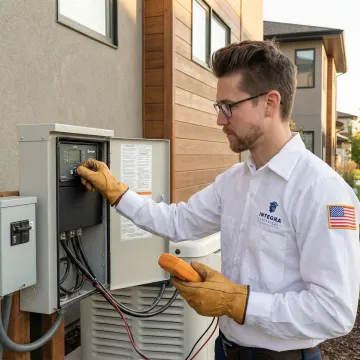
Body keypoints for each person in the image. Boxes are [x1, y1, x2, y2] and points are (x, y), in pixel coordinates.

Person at [76, 40, 360, 360]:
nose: (220, 120)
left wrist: (237, 302)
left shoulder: (321, 190)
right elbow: (178, 222)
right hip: (225, 350)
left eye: (228, 107)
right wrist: (116, 192)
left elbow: (336, 311)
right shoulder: (233, 182)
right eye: (219, 108)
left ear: (270, 103)